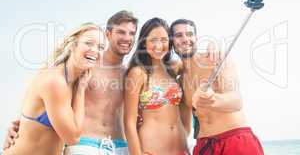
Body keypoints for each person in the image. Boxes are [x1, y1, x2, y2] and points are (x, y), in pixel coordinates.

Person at [2, 11, 138, 155]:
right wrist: (18, 125)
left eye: (131, 33)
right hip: (85, 145)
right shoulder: (86, 68)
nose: (126, 38)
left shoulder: (131, 74)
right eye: (121, 32)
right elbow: (39, 102)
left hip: (119, 145)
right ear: (108, 34)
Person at [2, 23, 105, 155]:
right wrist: (80, 91)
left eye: (101, 47)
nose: (95, 50)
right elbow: (73, 138)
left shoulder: (78, 79)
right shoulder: (55, 80)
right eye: (89, 43)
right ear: (73, 45)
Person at [170, 19, 264, 155]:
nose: (185, 39)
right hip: (204, 145)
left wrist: (213, 99)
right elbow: (185, 128)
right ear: (172, 42)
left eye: (190, 34)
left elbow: (236, 101)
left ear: (196, 38)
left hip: (235, 140)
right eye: (179, 35)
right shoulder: (180, 80)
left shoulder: (217, 59)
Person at [124, 17, 191, 155]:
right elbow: (129, 123)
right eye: (153, 40)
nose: (159, 45)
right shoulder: (138, 73)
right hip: (152, 150)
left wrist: (213, 50)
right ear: (144, 43)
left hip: (181, 149)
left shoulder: (175, 67)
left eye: (163, 40)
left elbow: (198, 65)